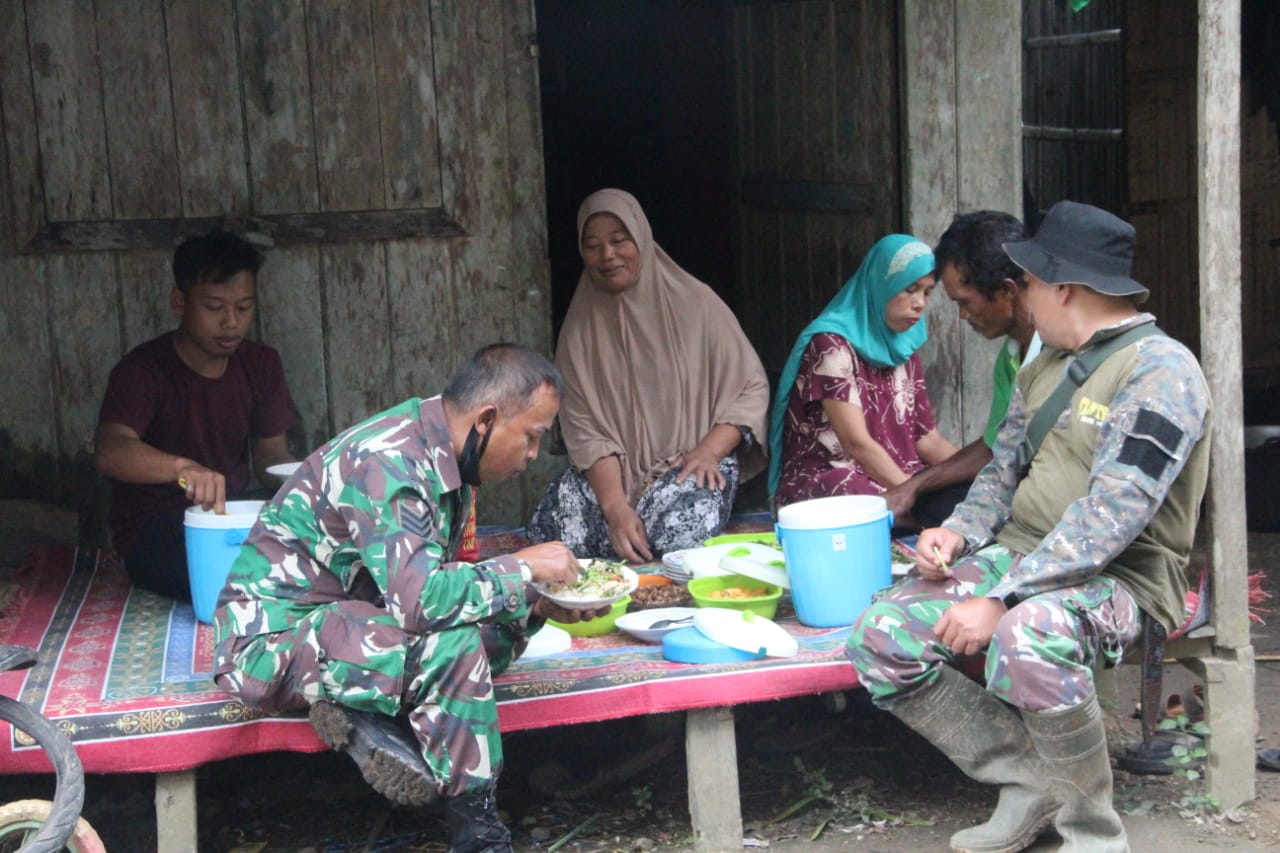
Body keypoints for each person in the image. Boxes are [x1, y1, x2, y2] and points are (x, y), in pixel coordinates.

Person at [847, 201, 1212, 853]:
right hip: (1023, 557)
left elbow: (1113, 518)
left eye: (1033, 283)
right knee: (884, 634)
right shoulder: (1048, 364)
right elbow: (1001, 469)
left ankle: (1093, 833)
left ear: (1063, 287)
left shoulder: (1163, 372)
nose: (1025, 297)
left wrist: (1003, 597)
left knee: (1027, 631)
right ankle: (1030, 780)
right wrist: (958, 533)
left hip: (1124, 579)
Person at [213, 343, 600, 853]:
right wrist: (523, 567)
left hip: (355, 623)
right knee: (456, 648)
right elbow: (421, 603)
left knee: (496, 633)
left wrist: (534, 600)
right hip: (272, 644)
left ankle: (363, 712)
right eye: (531, 437)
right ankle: (480, 835)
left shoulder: (449, 458)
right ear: (486, 419)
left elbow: (442, 587)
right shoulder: (390, 461)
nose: (532, 456)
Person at [527, 188, 770, 563]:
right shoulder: (578, 333)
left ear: (641, 237)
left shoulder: (697, 304)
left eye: (619, 240)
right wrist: (615, 508)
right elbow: (586, 431)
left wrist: (708, 451)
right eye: (592, 245)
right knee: (552, 529)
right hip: (614, 478)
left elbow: (749, 388)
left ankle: (639, 548)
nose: (607, 255)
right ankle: (626, 540)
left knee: (682, 527)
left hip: (688, 464)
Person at [94, 228, 298, 600]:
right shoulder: (143, 371)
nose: (231, 322)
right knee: (237, 576)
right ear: (179, 301)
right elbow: (111, 450)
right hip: (158, 527)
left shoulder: (261, 364)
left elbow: (272, 458)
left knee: (325, 539)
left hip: (232, 515)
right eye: (214, 307)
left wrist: (312, 480)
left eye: (244, 308)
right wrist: (183, 469)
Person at [769, 234, 959, 514]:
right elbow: (856, 444)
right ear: (881, 285)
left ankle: (914, 515)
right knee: (851, 493)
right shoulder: (830, 344)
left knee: (958, 494)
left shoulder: (904, 345)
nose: (919, 303)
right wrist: (913, 496)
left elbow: (927, 439)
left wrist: (977, 478)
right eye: (910, 289)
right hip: (837, 474)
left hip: (895, 474)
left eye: (927, 292)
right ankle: (916, 516)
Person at [881, 211, 1041, 528]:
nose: (963, 316)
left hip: (1048, 500)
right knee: (932, 501)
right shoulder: (1010, 356)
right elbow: (996, 445)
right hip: (1014, 484)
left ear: (1007, 291)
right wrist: (911, 488)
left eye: (965, 303)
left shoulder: (1059, 353)